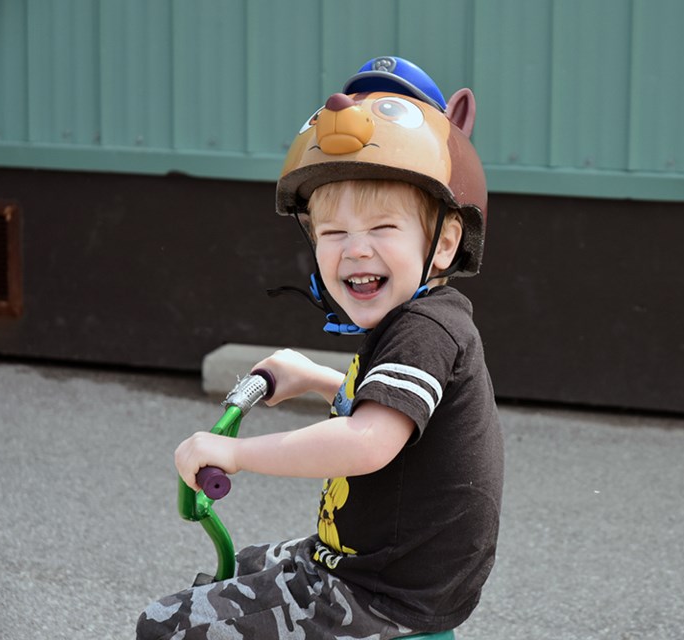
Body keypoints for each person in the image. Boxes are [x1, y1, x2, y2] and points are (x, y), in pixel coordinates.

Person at [136, 56, 504, 640]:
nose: (355, 250)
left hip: (380, 592)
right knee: (250, 566)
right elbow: (396, 413)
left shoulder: (426, 330)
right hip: (376, 566)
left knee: (168, 625)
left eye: (383, 228)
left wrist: (237, 453)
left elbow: (368, 442)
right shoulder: (422, 320)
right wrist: (312, 375)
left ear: (443, 243)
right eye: (334, 233)